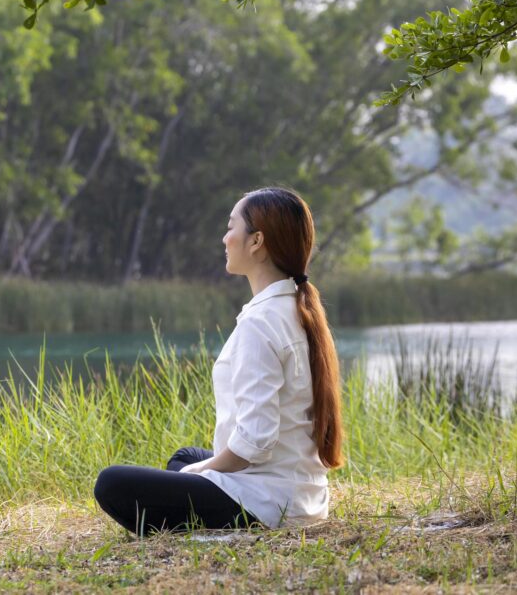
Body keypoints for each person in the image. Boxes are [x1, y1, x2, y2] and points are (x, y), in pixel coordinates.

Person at [93, 187, 344, 535]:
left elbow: (256, 440)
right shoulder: (295, 310)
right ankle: (196, 489)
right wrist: (202, 467)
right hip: (300, 493)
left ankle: (201, 512)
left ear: (256, 241)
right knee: (184, 457)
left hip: (267, 503)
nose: (225, 238)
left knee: (112, 483)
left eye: (231, 227)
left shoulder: (262, 322)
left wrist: (203, 472)